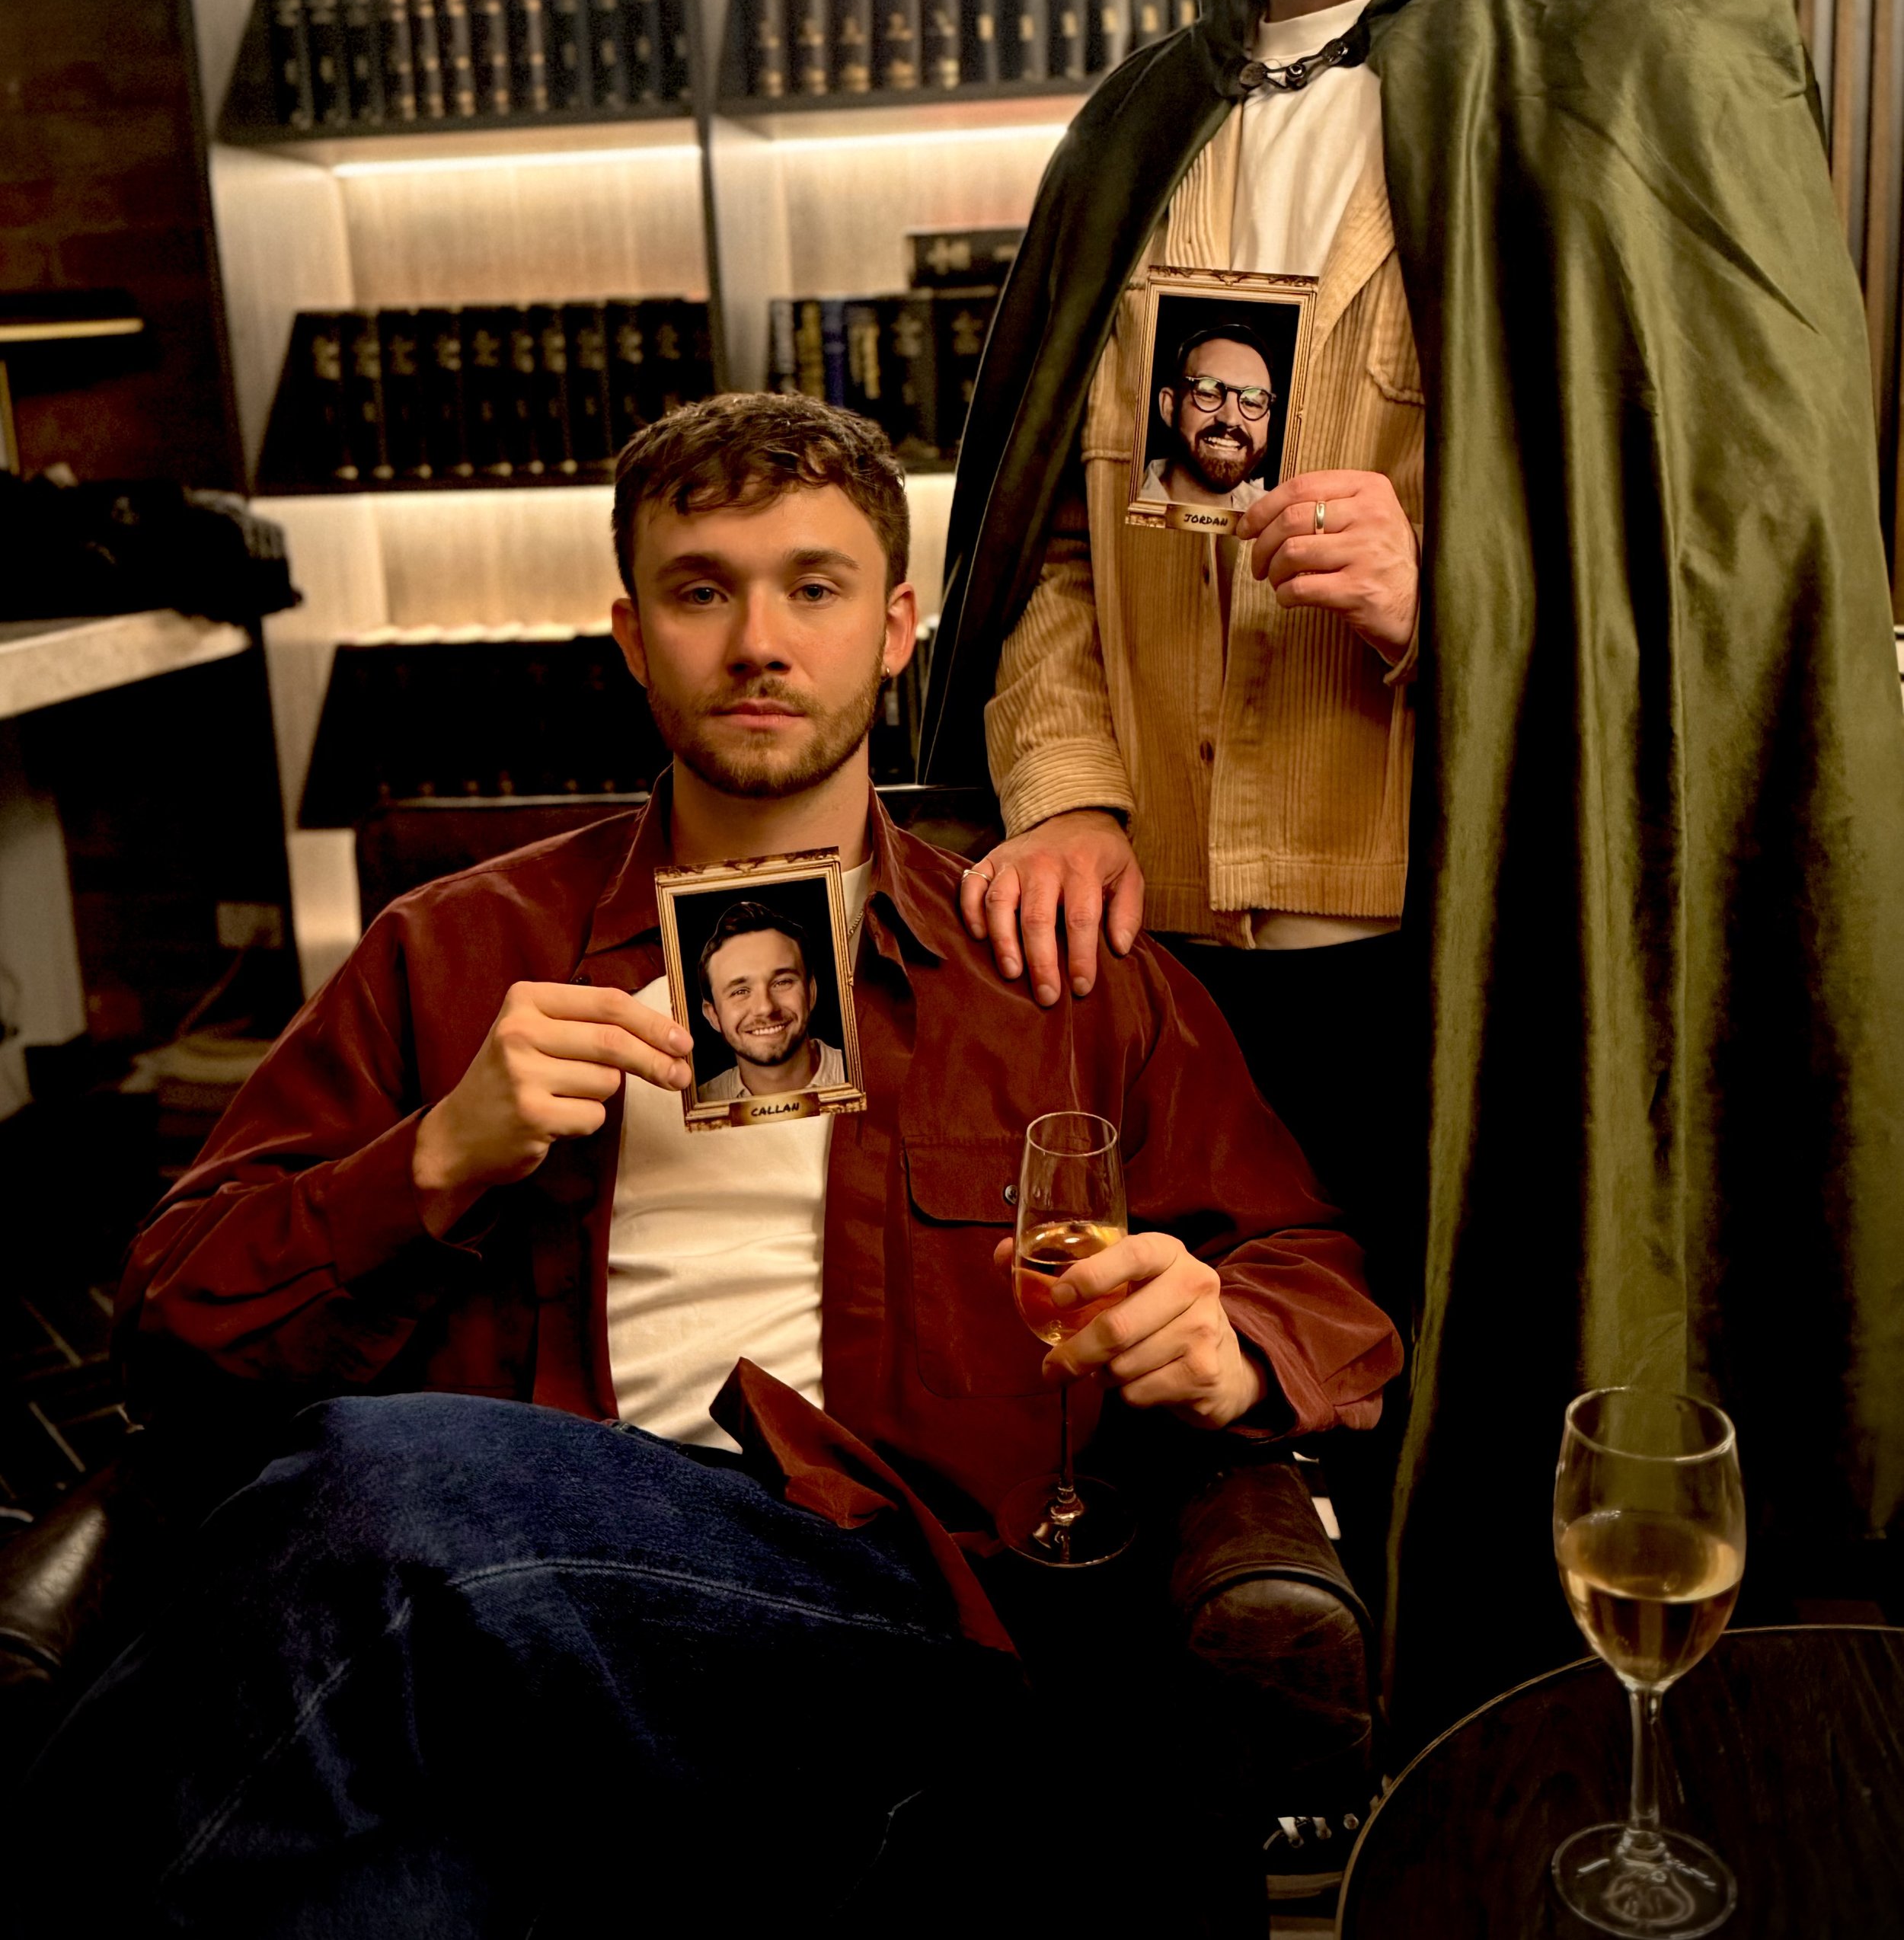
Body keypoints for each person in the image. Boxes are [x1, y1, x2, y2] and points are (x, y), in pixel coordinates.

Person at [921, 0, 1904, 1735]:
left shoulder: (1627, 58)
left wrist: (1447, 587)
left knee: (1495, 1526)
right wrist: (1060, 794)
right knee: (1170, 1538)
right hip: (1160, 1000)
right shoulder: (1128, 139)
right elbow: (1051, 554)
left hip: (1478, 982)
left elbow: (1742, 561)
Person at [18, 395, 1398, 1934]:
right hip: (507, 1650)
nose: (756, 640)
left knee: (369, 1482)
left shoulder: (1049, 964)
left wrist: (1224, 1332)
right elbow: (167, 1323)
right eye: (699, 589)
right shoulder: (457, 950)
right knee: (365, 1874)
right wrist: (434, 1157)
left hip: (895, 1622)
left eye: (810, 588)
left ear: (894, 629)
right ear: (628, 633)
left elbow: (1311, 1273)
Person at [693, 899, 845, 1105]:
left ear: (811, 991)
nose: (765, 1008)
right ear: (713, 1015)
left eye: (781, 982)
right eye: (740, 991)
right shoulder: (698, 1105)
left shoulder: (867, 1076)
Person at [1138, 323, 1276, 509]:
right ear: (1169, 406)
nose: (1230, 419)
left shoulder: (1275, 515)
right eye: (1208, 393)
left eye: (1251, 403)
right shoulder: (1113, 501)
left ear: (1267, 418)